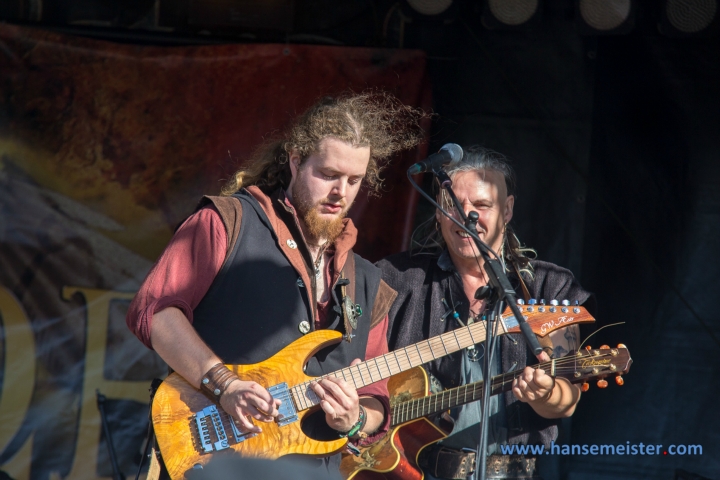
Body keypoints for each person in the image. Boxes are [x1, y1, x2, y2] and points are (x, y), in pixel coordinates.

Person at [126, 93, 425, 477]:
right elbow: (154, 312)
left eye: (354, 180)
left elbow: (376, 401)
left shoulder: (366, 279)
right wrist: (224, 384)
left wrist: (354, 418)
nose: (341, 193)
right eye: (329, 175)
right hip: (219, 463)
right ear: (296, 160)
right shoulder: (226, 222)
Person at [376, 146, 595, 480]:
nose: (467, 218)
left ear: (506, 210)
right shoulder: (395, 280)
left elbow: (567, 399)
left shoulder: (552, 288)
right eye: (453, 206)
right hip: (411, 471)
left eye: (481, 206)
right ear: (437, 211)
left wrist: (546, 393)